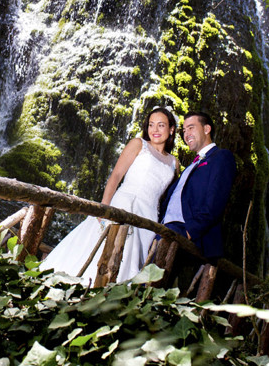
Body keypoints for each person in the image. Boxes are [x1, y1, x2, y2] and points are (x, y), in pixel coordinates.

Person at [39, 107, 178, 285]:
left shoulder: (174, 163)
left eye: (161, 125)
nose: (155, 130)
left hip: (149, 215)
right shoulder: (138, 144)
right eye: (151, 125)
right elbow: (116, 176)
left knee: (132, 260)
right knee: (107, 249)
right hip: (126, 203)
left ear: (171, 129)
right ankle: (89, 288)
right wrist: (104, 208)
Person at [159, 111, 236, 261]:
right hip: (164, 227)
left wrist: (189, 231)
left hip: (185, 231)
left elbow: (216, 201)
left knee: (148, 280)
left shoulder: (221, 157)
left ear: (207, 129)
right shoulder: (190, 166)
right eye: (184, 130)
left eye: (191, 128)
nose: (186, 134)